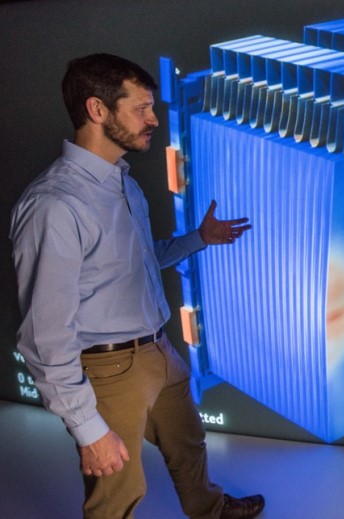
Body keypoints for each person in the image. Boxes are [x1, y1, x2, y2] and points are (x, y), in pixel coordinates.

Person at [10, 53, 265, 519]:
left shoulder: (123, 184)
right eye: (142, 109)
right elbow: (43, 337)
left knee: (189, 445)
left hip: (158, 351)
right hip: (108, 370)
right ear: (97, 110)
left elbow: (136, 262)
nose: (154, 120)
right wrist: (88, 428)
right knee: (115, 493)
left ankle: (210, 510)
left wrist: (198, 240)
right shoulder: (54, 205)